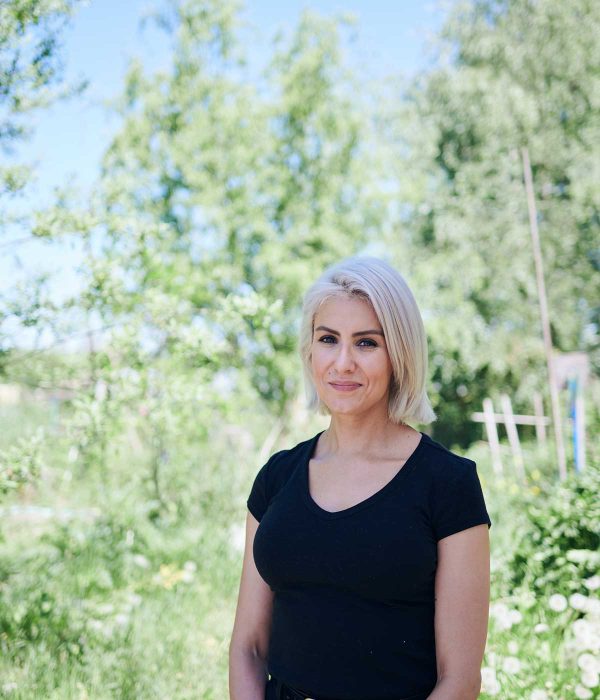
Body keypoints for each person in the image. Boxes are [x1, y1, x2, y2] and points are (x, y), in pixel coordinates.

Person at [229, 256, 492, 700]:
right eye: (328, 339)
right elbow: (247, 648)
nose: (343, 362)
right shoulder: (277, 477)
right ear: (310, 350)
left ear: (399, 354)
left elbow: (460, 680)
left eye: (367, 343)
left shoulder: (448, 484)